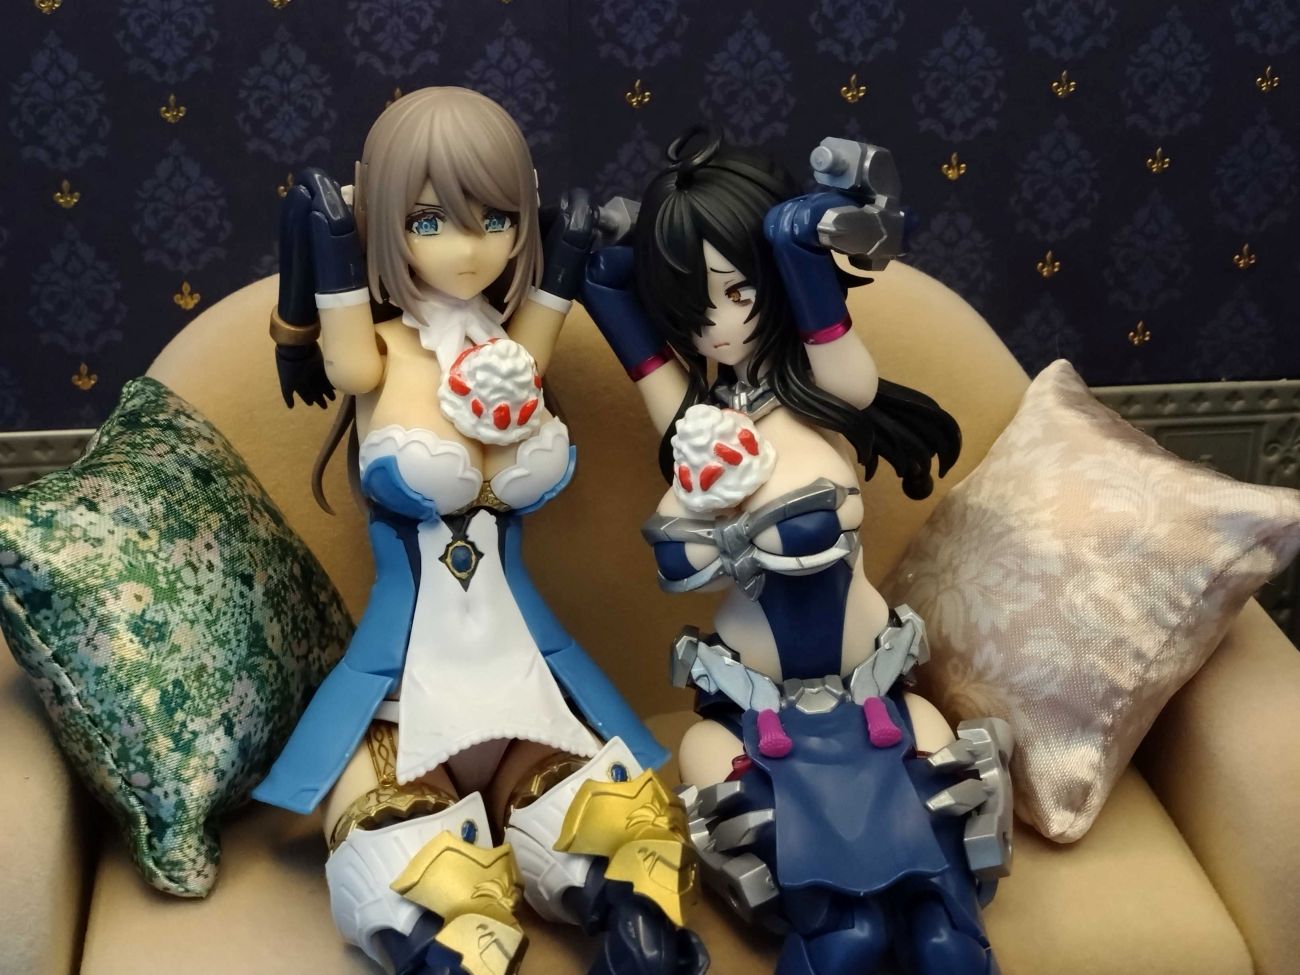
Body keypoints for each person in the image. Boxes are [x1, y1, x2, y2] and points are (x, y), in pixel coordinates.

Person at [256, 87, 706, 975]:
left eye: (496, 219)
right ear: (384, 220)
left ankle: (635, 932)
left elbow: (544, 327)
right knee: (411, 879)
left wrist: (568, 259)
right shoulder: (377, 356)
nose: (468, 249)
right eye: (428, 221)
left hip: (525, 689)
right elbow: (338, 355)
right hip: (400, 705)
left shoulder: (510, 353)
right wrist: (329, 244)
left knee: (613, 843)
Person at [579, 128, 1010, 975]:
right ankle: (831, 920)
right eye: (693, 307)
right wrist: (604, 248)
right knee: (840, 936)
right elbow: (613, 301)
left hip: (874, 695)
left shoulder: (822, 386)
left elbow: (840, 357)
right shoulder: (695, 422)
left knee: (943, 934)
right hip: (754, 711)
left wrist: (794, 239)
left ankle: (939, 912)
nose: (718, 325)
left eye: (738, 291)